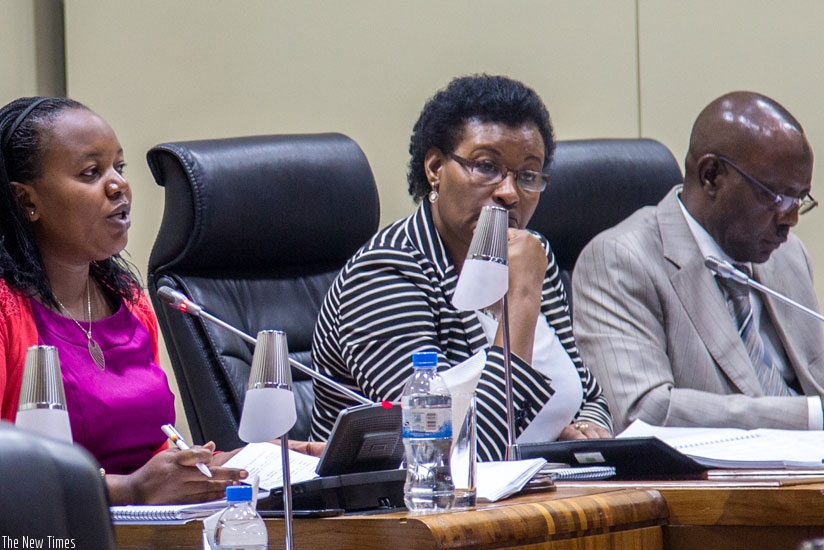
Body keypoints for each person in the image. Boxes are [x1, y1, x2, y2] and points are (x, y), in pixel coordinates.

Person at [0, 97, 322, 505]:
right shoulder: (7, 312)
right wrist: (128, 490)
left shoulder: (129, 302)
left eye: (119, 167)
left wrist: (242, 462)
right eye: (90, 173)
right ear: (27, 201)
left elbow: (150, 464)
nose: (118, 186)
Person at [310, 74, 612, 461]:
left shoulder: (533, 255)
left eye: (527, 176)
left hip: (539, 495)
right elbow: (445, 455)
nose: (509, 192)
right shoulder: (385, 275)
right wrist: (519, 299)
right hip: (400, 512)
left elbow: (590, 396)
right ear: (435, 167)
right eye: (487, 166)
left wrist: (584, 435)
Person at [572, 91, 824, 433]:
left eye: (799, 199)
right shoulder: (621, 260)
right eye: (775, 197)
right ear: (712, 176)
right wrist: (810, 417)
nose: (791, 219)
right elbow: (643, 411)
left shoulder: (788, 255)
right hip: (722, 482)